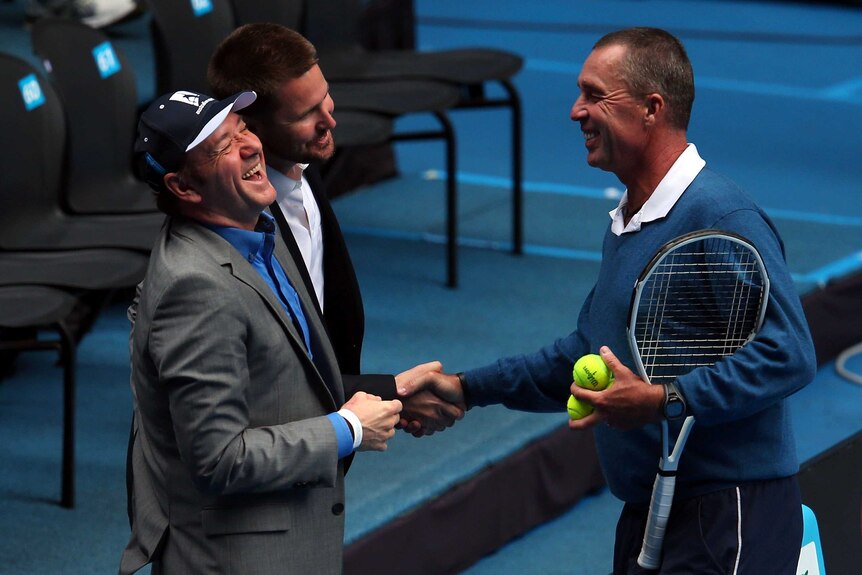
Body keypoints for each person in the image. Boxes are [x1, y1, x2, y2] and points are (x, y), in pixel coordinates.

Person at [400, 27, 816, 574]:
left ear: (652, 108)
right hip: (652, 512)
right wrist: (469, 387)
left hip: (728, 515)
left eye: (596, 95)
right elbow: (585, 351)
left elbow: (789, 354)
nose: (576, 111)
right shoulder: (631, 220)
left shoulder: (721, 217)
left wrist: (664, 399)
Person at [119, 89, 403, 574]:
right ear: (183, 188)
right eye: (221, 148)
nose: (251, 146)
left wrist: (393, 391)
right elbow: (219, 459)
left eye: (242, 129)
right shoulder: (196, 288)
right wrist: (349, 429)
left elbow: (279, 381)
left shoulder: (257, 231)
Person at [207, 23, 465, 433]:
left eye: (324, 96)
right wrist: (389, 394)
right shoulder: (238, 232)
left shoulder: (303, 170)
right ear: (249, 128)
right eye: (306, 114)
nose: (329, 119)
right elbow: (273, 378)